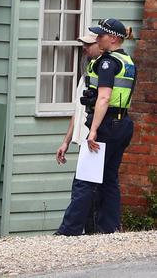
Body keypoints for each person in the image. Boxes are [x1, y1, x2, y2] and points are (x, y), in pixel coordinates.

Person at [55, 18, 136, 236]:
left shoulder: (108, 62)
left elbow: (104, 98)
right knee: (109, 179)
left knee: (85, 179)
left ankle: (69, 231)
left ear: (113, 38)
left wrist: (93, 130)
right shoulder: (127, 60)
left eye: (101, 35)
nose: (97, 38)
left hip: (106, 124)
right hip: (123, 123)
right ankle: (108, 229)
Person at [55, 33, 101, 234]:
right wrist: (66, 141)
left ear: (100, 44)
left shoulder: (103, 73)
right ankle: (93, 231)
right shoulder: (86, 74)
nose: (84, 49)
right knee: (90, 187)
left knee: (82, 186)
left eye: (88, 45)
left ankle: (68, 230)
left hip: (94, 139)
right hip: (84, 138)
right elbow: (78, 111)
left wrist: (94, 133)